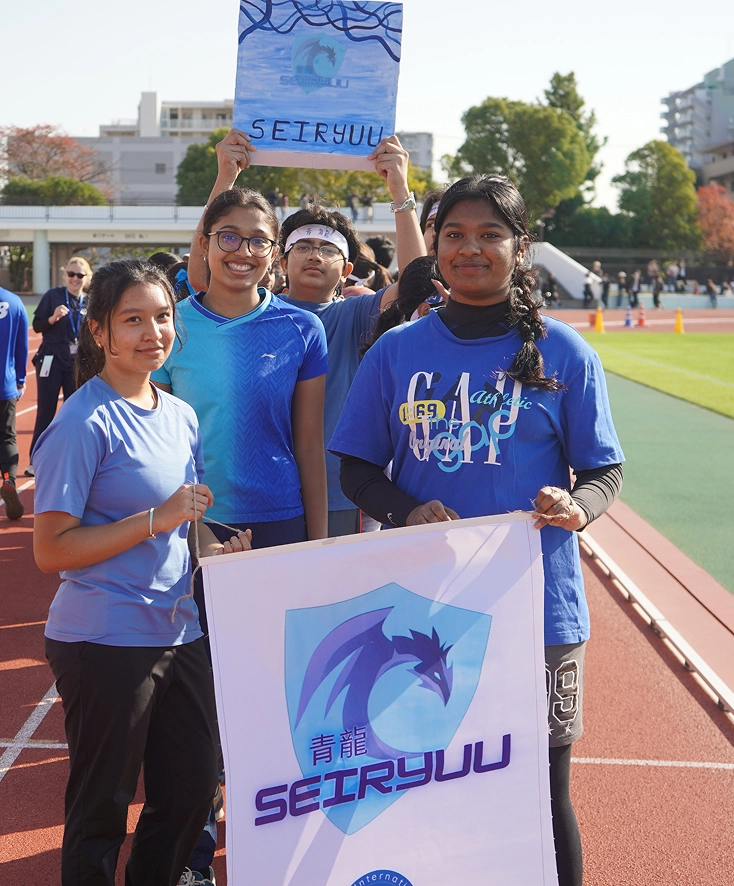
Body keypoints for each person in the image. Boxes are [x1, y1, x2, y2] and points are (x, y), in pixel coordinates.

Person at [329, 174, 624, 886]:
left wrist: (576, 506)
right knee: (430, 785)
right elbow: (357, 470)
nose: (470, 248)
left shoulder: (565, 353)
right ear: (434, 246)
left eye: (489, 234)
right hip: (425, 614)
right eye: (454, 234)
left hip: (538, 612)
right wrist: (405, 509)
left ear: (519, 249)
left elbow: (604, 473)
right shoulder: (395, 352)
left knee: (541, 789)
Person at [33, 259, 251, 886]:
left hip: (180, 631)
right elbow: (52, 552)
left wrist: (213, 544)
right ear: (99, 331)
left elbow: (183, 522)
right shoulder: (82, 421)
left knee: (190, 792)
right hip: (103, 638)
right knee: (102, 809)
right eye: (133, 320)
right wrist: (154, 519)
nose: (152, 331)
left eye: (162, 317)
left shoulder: (179, 414)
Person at [186, 130, 425, 539]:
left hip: (337, 493)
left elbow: (419, 281)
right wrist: (226, 177)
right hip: (252, 496)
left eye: (329, 248)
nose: (315, 254)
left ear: (348, 270)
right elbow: (206, 265)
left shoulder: (355, 315)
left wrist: (400, 188)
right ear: (279, 258)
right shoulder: (248, 310)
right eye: (303, 245)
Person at [26, 256, 92, 475]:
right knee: (46, 410)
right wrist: (53, 318)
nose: (75, 279)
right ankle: (36, 461)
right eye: (71, 274)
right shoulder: (53, 296)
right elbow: (37, 326)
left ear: (86, 277)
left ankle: (69, 460)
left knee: (74, 412)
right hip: (51, 360)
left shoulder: (89, 301)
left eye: (80, 275)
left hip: (76, 364)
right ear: (65, 275)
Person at [0, 284, 28, 519]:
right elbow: (22, 345)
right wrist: (20, 379)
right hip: (5, 385)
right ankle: (9, 479)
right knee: (7, 436)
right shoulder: (15, 301)